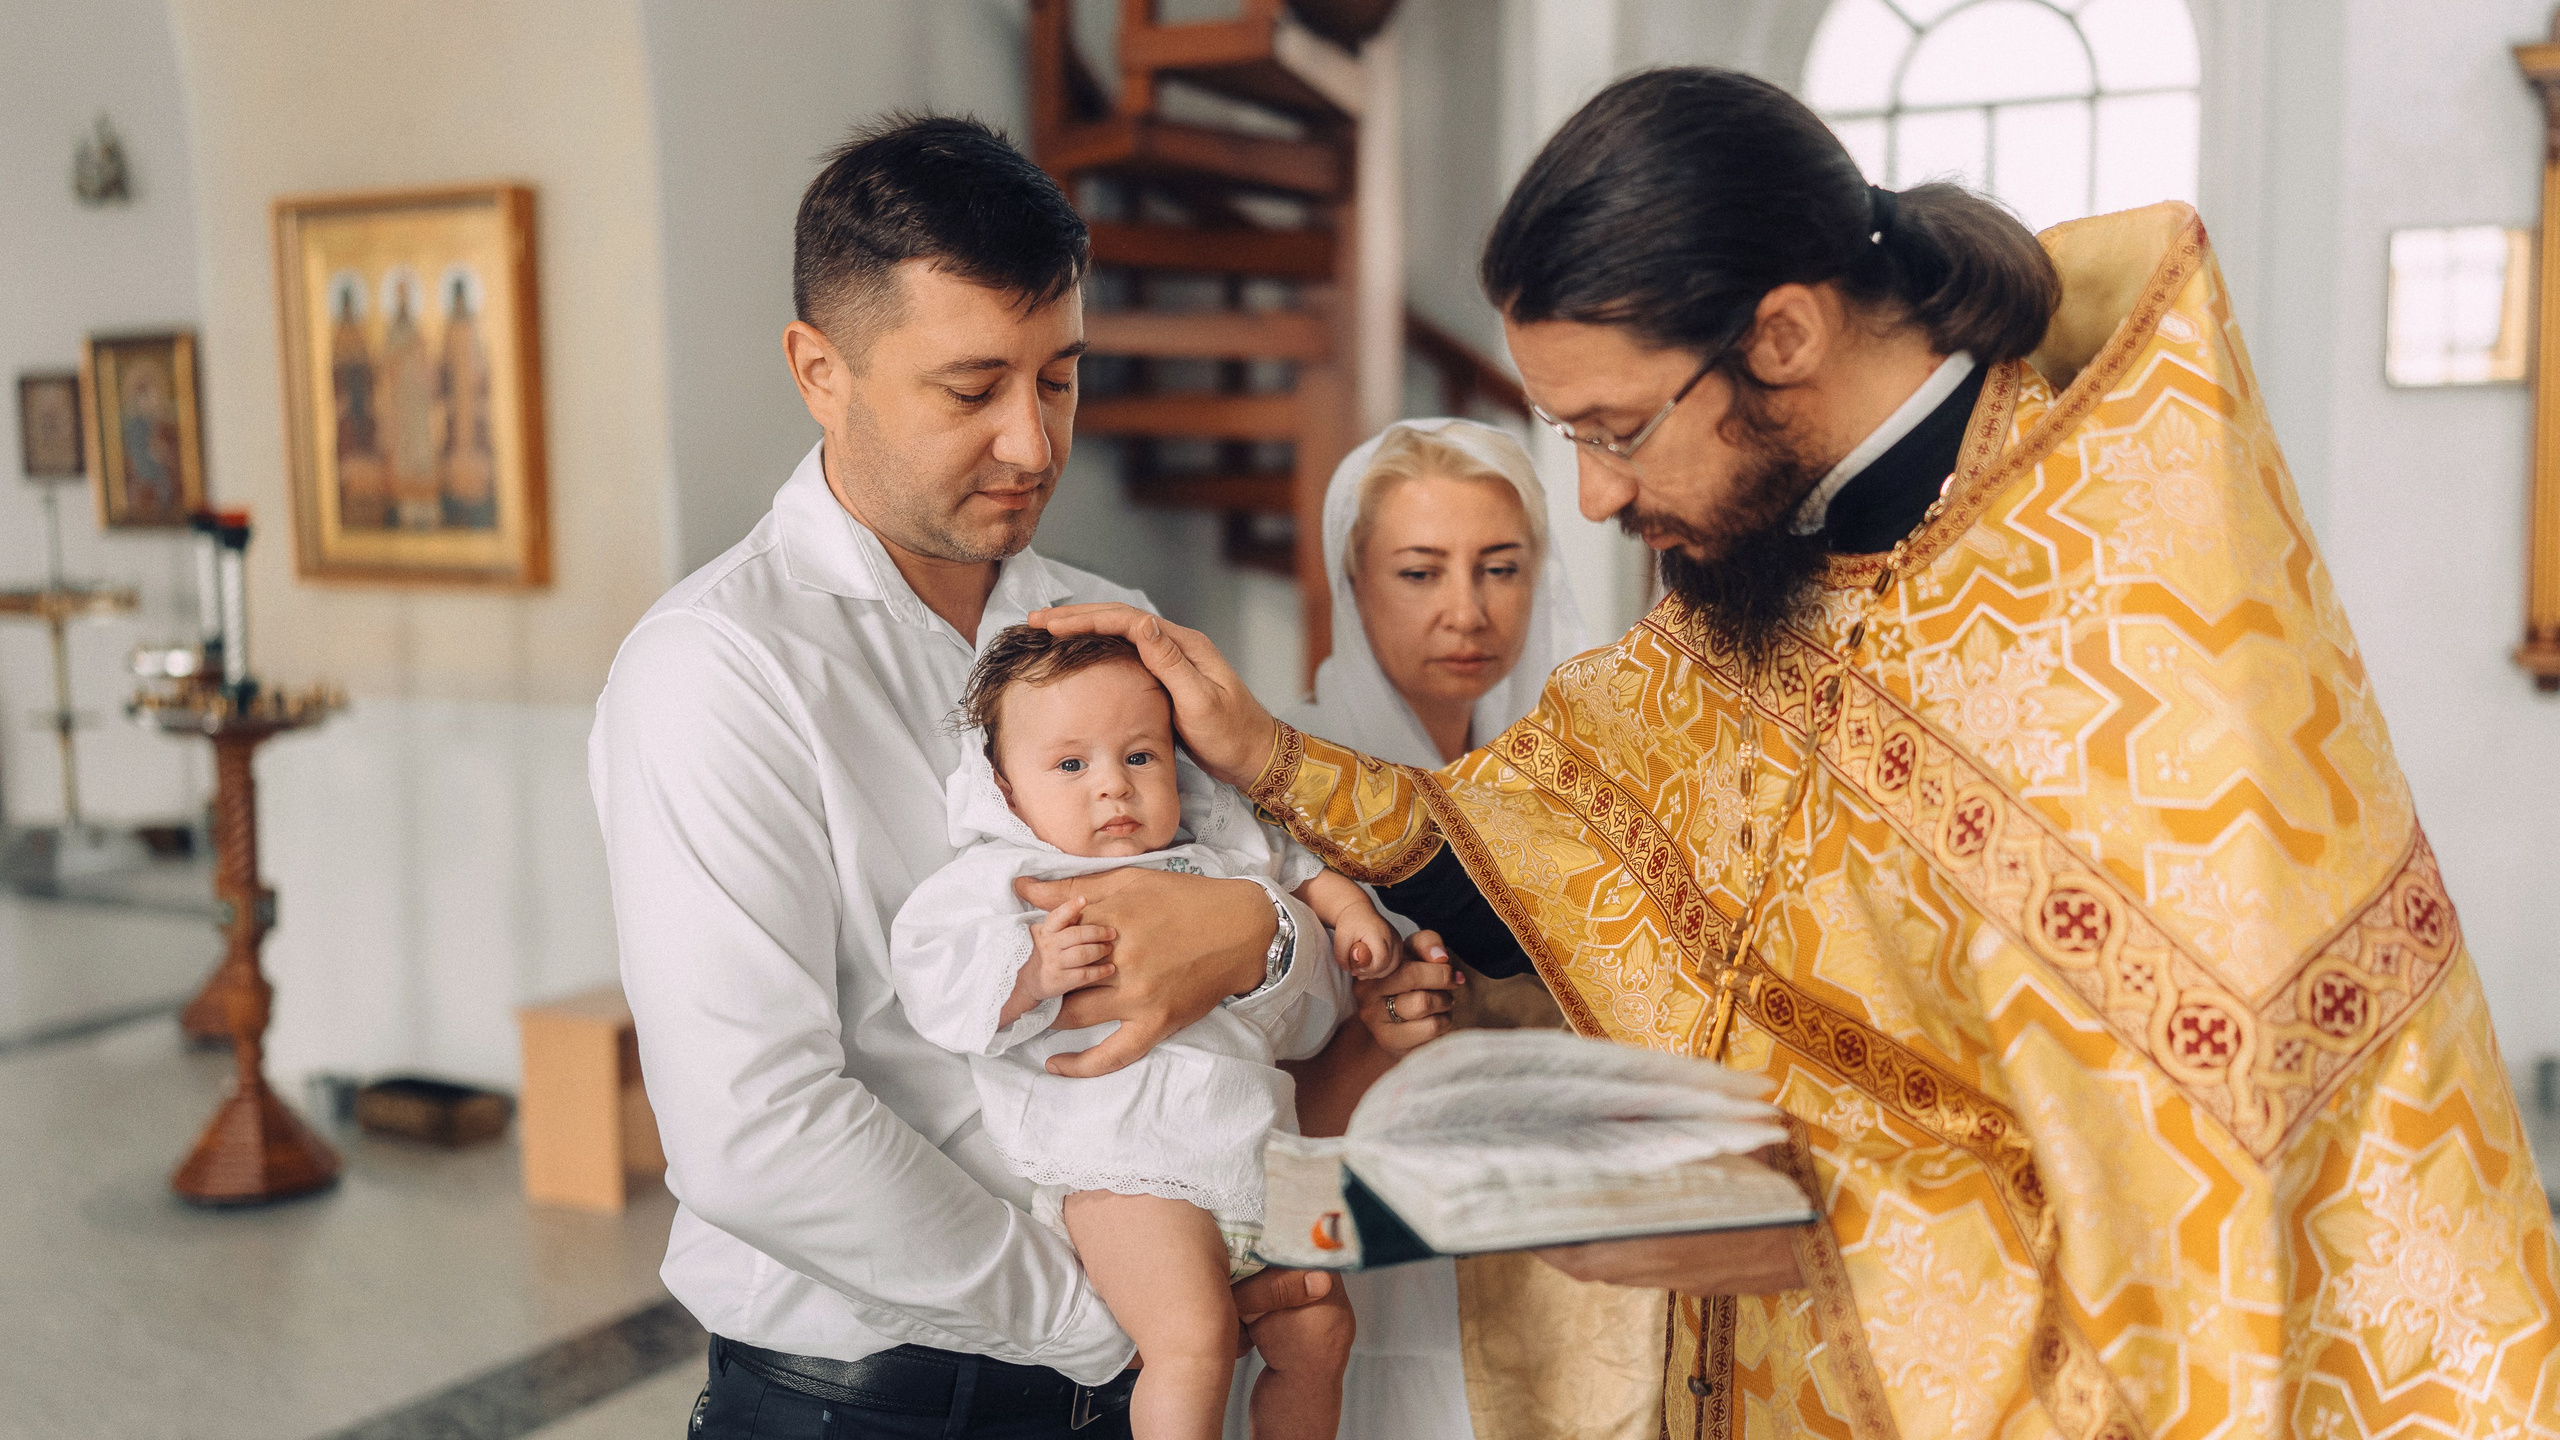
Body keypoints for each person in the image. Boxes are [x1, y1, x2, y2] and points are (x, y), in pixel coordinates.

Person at [1035, 68, 2560, 1440]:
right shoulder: (1781, 564)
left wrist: (1793, 1214)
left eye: (1618, 429)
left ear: (1781, 333)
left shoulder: (2129, 620)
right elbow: (1562, 871)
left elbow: (2197, 1217)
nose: (1593, 499)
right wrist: (1266, 757)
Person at [588, 115, 1344, 1440]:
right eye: (971, 388)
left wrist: (1250, 937)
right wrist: (1104, 1326)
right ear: (820, 372)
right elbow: (754, 1128)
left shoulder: (1112, 627)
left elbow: (1312, 988)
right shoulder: (715, 671)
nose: (1034, 445)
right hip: (871, 1404)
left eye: (1059, 379)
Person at [893, 626, 1397, 1439]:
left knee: (1322, 1331)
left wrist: (1350, 914)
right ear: (1004, 789)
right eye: (1070, 765)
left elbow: (1300, 868)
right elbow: (931, 984)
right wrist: (1032, 972)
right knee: (1191, 1344)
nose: (1113, 790)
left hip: (1257, 1155)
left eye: (1140, 757)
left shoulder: (1209, 857)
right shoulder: (1003, 882)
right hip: (1126, 1173)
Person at [1271, 418, 1588, 1440]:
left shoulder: (1567, 804)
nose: (1465, 610)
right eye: (1419, 572)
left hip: (1540, 1278)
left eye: (1500, 568)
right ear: (1352, 581)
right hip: (1353, 1281)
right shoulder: (1277, 806)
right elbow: (1246, 1127)